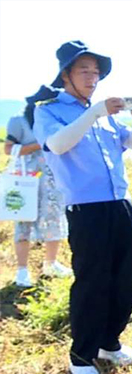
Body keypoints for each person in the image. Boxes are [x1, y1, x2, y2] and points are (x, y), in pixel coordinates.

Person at [33, 41, 132, 374]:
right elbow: (57, 145)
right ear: (65, 74)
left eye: (96, 72)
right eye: (84, 70)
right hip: (87, 209)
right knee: (92, 281)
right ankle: (81, 354)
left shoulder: (102, 113)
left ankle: (108, 342)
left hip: (121, 204)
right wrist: (94, 113)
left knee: (125, 275)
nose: (92, 77)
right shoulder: (49, 110)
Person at [5, 87, 71, 287]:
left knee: (54, 218)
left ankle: (50, 263)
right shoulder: (19, 121)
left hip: (53, 177)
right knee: (24, 220)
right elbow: (8, 148)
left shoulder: (57, 122)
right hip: (27, 177)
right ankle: (22, 270)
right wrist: (39, 145)